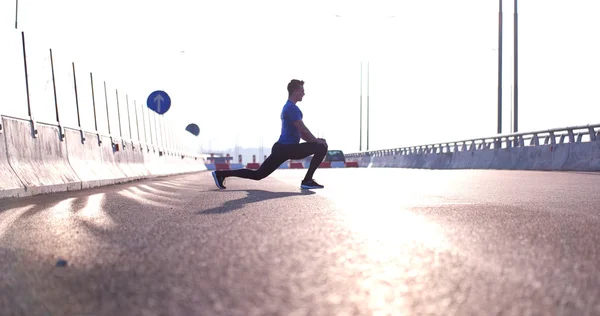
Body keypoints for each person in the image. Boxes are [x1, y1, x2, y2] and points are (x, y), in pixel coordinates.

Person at [212, 79, 328, 190]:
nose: (304, 93)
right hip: (287, 149)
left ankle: (220, 174)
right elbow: (303, 130)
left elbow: (301, 133)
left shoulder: (288, 107)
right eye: (302, 91)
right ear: (295, 91)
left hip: (283, 148)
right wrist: (317, 141)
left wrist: (314, 140)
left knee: (258, 174)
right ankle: (307, 181)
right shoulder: (292, 108)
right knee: (322, 147)